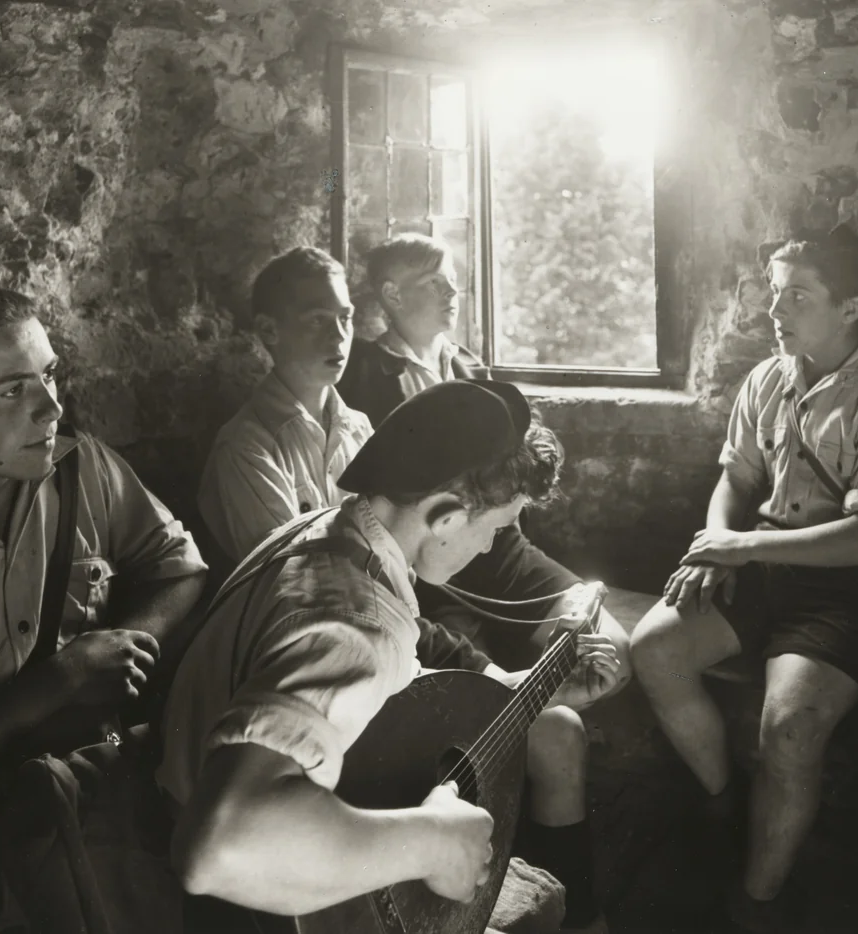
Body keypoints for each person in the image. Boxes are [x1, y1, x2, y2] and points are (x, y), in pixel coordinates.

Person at [159, 379, 621, 933]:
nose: (489, 547)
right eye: (496, 528)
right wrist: (432, 844)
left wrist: (521, 691)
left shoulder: (323, 533)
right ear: (447, 517)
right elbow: (219, 848)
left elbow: (364, 688)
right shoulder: (357, 623)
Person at [0, 282, 208, 934]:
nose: (51, 406)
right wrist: (57, 682)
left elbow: (180, 571)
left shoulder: (85, 473)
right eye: (11, 390)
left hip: (88, 790)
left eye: (49, 376)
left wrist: (127, 643)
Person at [629, 224, 858, 931]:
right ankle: (723, 802)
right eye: (775, 293)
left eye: (797, 295)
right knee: (654, 648)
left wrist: (740, 547)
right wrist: (714, 545)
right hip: (758, 564)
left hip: (846, 590)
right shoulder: (768, 378)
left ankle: (756, 900)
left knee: (789, 728)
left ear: (851, 309)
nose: (776, 309)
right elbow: (736, 476)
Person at [337, 233, 633, 931]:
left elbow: (492, 517)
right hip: (442, 571)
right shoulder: (360, 605)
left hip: (449, 555)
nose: (450, 293)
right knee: (529, 721)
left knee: (602, 648)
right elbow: (226, 838)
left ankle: (515, 829)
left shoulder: (463, 365)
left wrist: (499, 682)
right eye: (431, 282)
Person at [197, 247, 372, 569]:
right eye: (318, 320)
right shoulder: (246, 446)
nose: (339, 336)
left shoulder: (360, 429)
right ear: (268, 330)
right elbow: (294, 575)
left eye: (345, 318)